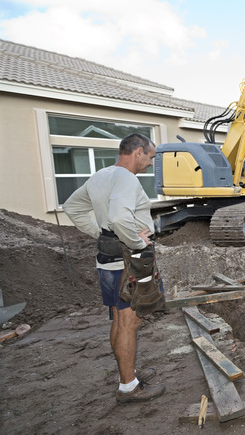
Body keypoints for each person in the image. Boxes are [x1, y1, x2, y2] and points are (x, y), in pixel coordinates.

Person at [63, 133, 165, 404]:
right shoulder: (127, 178)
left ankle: (126, 372)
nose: (149, 164)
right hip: (129, 262)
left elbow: (71, 206)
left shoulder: (101, 176)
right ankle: (128, 387)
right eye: (150, 158)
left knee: (119, 320)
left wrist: (99, 233)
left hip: (107, 261)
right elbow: (120, 217)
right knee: (130, 323)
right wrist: (135, 242)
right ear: (138, 152)